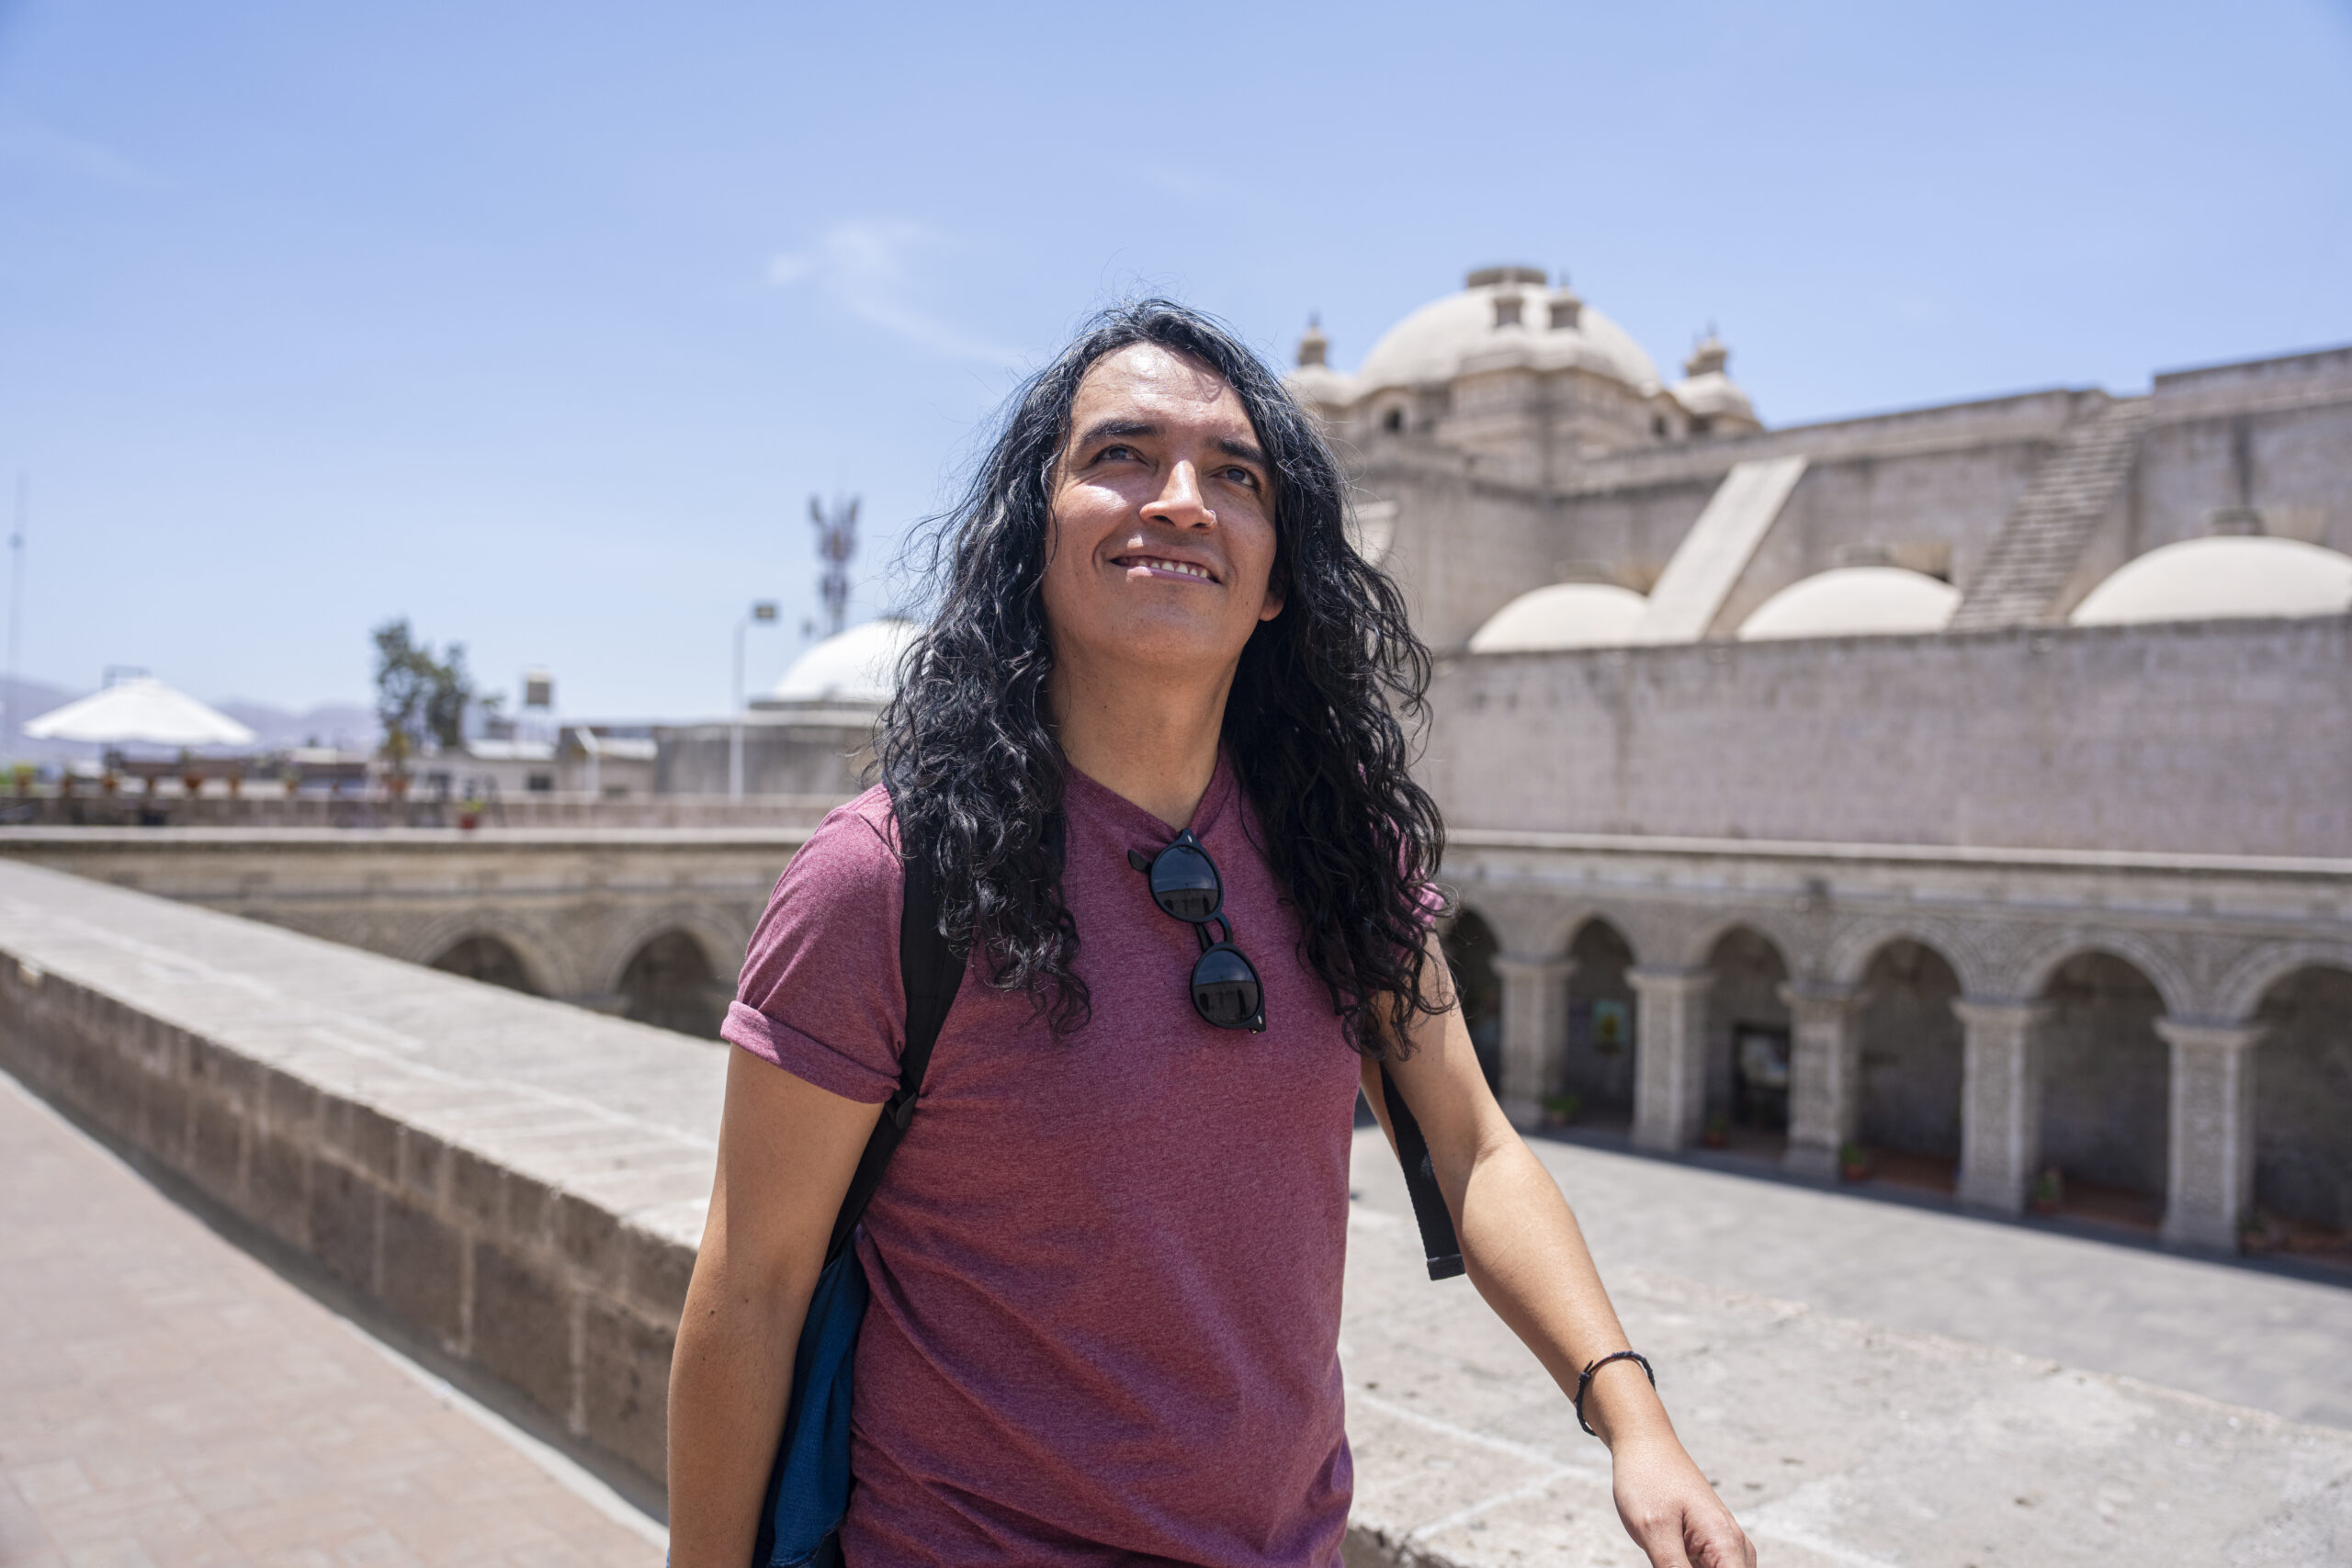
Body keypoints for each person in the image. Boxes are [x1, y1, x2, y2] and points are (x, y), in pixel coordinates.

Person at [666, 300, 1754, 1568]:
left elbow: (1471, 1147)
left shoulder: (1342, 856)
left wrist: (1633, 1419)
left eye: (1236, 475)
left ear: (1280, 579)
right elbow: (751, 1289)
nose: (1182, 501)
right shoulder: (887, 878)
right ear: (1030, 535)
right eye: (1121, 455)